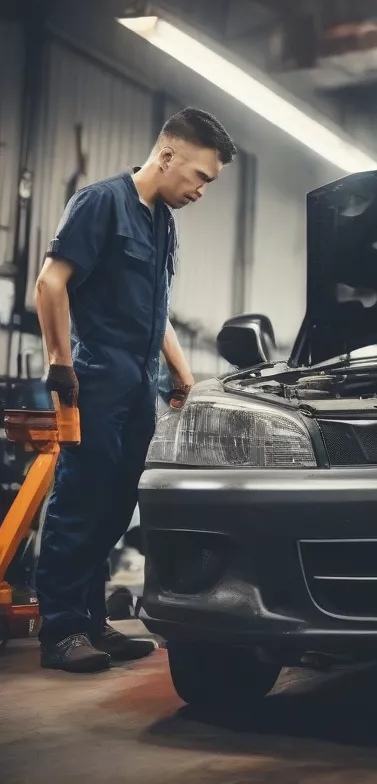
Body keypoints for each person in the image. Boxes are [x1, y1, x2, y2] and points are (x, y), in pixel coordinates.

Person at [34, 107, 236, 672]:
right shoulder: (102, 203)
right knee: (81, 501)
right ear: (167, 155)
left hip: (140, 382)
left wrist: (182, 373)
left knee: (119, 504)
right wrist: (59, 365)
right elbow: (51, 281)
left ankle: (94, 622)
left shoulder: (162, 221)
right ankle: (62, 632)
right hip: (95, 379)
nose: (201, 190)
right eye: (200, 176)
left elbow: (159, 310)